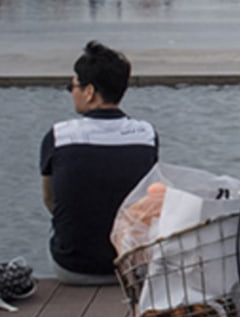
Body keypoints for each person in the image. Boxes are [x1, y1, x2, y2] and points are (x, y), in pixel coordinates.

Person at [40, 41, 160, 286]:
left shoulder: (59, 136)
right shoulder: (146, 135)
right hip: (131, 267)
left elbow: (50, 199)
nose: (71, 92)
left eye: (71, 86)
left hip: (72, 267)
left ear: (90, 91)